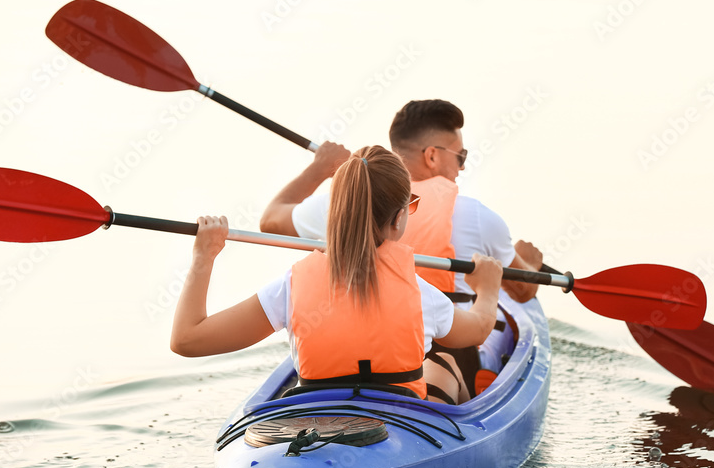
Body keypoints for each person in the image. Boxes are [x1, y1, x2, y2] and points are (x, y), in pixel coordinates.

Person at [170, 145, 503, 405]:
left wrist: (204, 255)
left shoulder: (291, 286)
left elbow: (187, 340)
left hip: (316, 416)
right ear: (400, 217)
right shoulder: (419, 293)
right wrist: (486, 290)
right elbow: (476, 331)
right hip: (402, 419)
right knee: (444, 365)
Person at [260, 99, 543, 385]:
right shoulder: (479, 218)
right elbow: (523, 290)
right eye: (461, 156)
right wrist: (524, 263)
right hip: (444, 347)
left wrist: (320, 168)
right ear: (432, 156)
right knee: (448, 360)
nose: (462, 167)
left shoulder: (339, 204)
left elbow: (270, 220)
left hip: (344, 359)